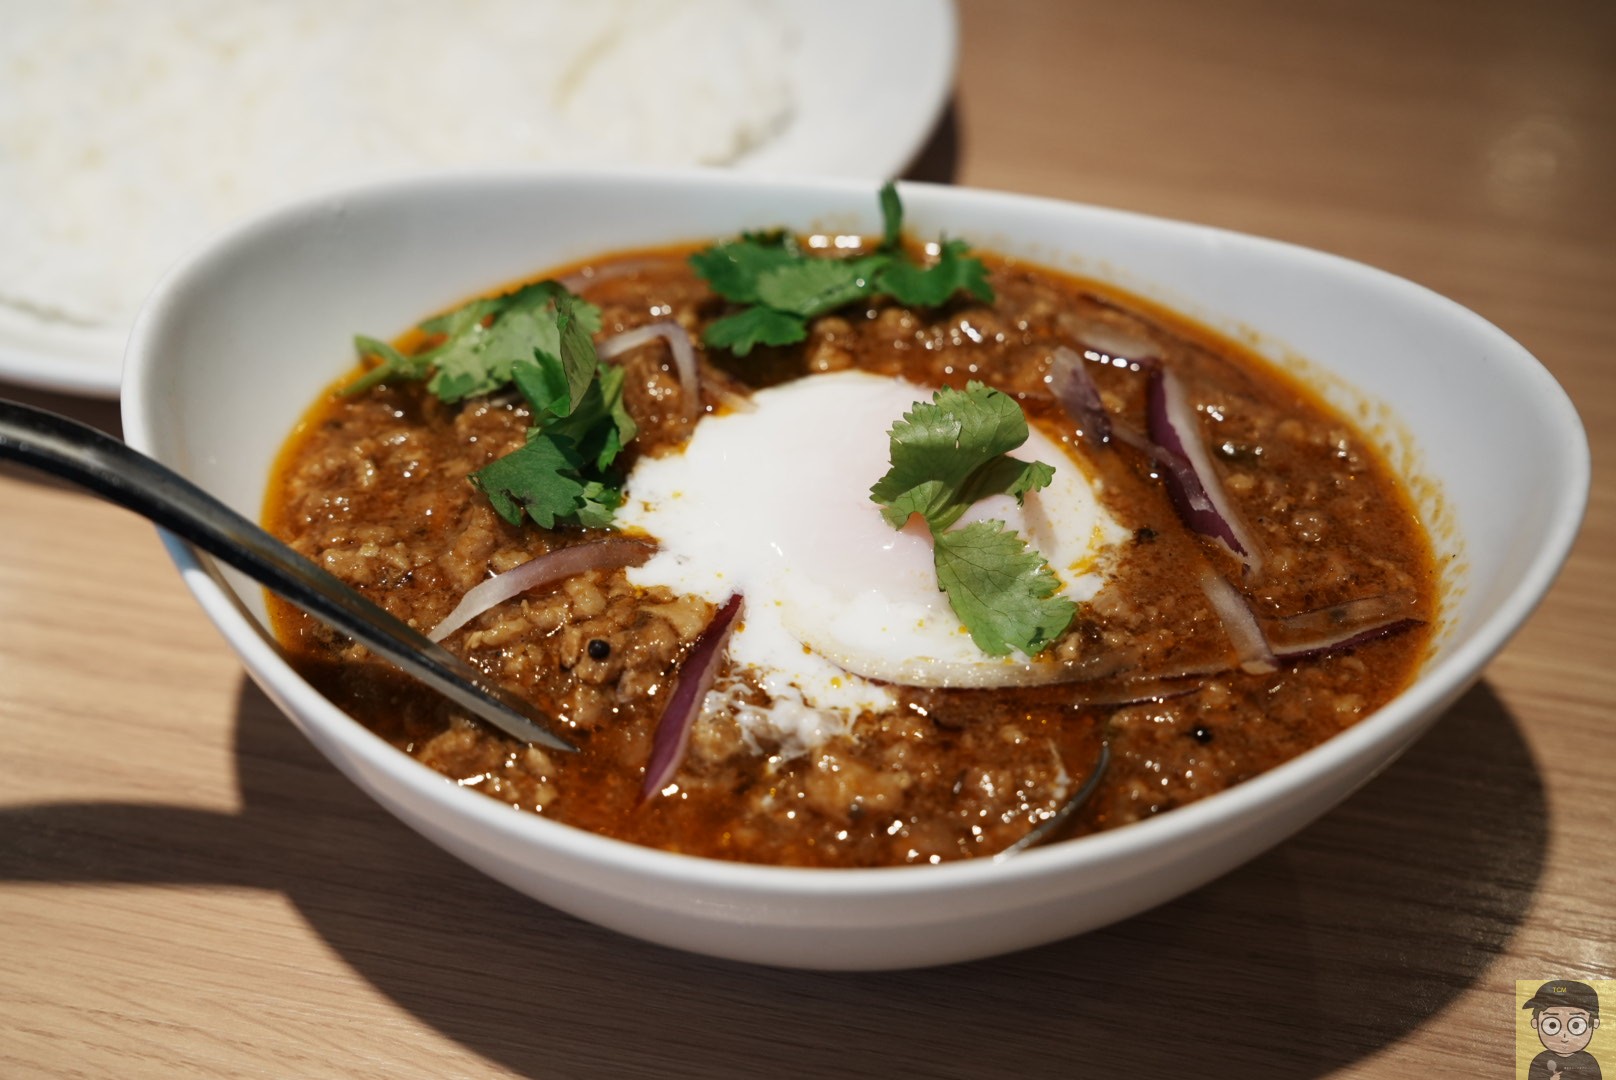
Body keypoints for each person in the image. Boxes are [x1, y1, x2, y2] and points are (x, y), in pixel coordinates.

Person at [1523, 980, 1603, 1079]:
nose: (1564, 1036)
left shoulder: (1589, 1062)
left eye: (1576, 1025)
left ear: (1595, 1023)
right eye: (1552, 1025)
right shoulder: (1540, 1061)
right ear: (1535, 1023)